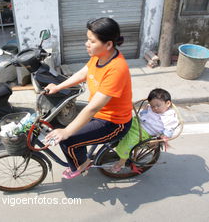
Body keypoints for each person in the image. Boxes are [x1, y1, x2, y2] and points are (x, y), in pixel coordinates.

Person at [44, 17, 133, 179]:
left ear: (108, 44)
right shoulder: (99, 56)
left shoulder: (117, 69)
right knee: (73, 132)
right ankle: (82, 157)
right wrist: (58, 87)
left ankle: (81, 165)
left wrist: (66, 131)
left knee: (68, 140)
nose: (87, 44)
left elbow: (92, 108)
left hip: (113, 122)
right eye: (87, 39)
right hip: (100, 115)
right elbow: (84, 73)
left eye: (91, 41)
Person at [112, 88, 179, 173]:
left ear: (168, 103)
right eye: (152, 106)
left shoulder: (169, 116)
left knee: (128, 143)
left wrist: (163, 137)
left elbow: (170, 129)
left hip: (144, 132)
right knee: (120, 124)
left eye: (157, 105)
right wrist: (146, 110)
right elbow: (144, 114)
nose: (154, 108)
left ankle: (121, 162)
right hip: (137, 122)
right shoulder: (151, 107)